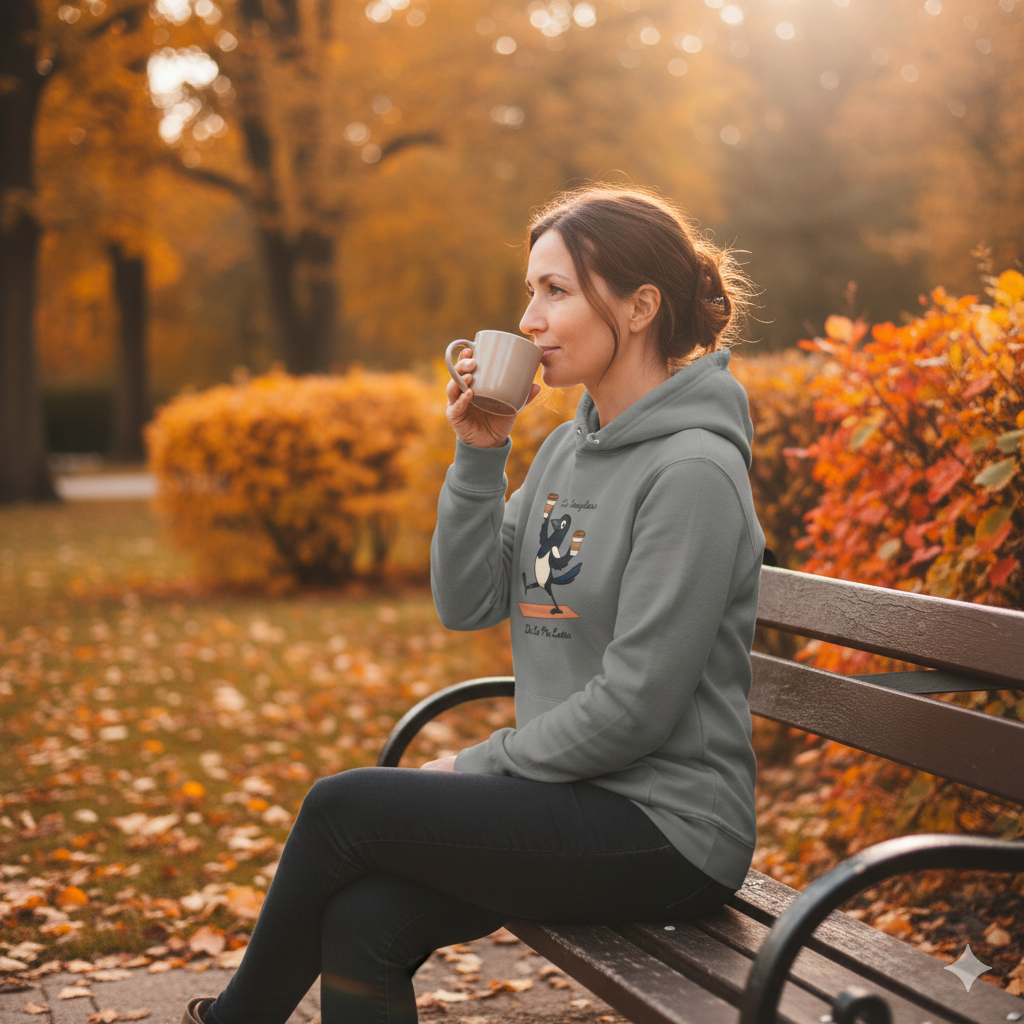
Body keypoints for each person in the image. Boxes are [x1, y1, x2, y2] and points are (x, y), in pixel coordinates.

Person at [182, 185, 764, 1024]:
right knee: (361, 923)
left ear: (640, 307)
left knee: (341, 805)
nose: (529, 318)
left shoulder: (693, 473)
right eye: (532, 290)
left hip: (668, 827)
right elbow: (468, 600)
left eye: (555, 291)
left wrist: (481, 762)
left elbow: (638, 706)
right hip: (574, 797)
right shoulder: (569, 445)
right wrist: (480, 454)